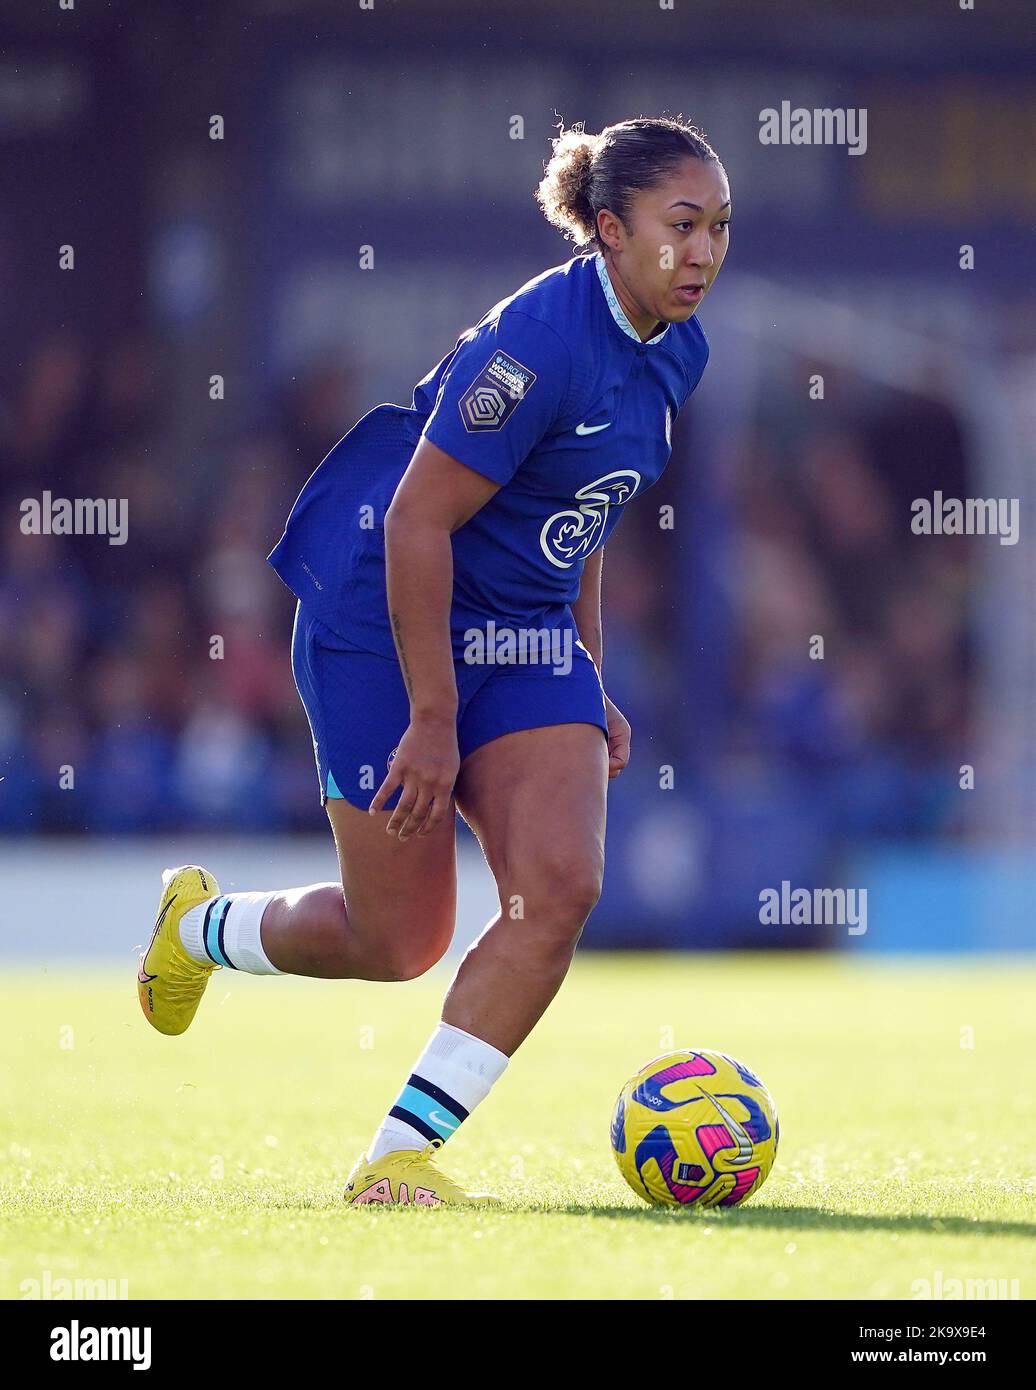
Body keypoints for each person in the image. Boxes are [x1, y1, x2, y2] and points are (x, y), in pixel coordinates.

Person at [136, 116, 731, 1206]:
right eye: (679, 226)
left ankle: (395, 1160)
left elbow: (583, 511)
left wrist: (585, 671)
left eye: (718, 230)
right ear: (609, 228)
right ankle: (202, 928)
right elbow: (417, 522)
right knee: (396, 939)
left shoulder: (678, 349)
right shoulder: (537, 342)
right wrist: (433, 717)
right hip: (383, 610)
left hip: (522, 621)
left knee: (558, 887)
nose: (702, 253)